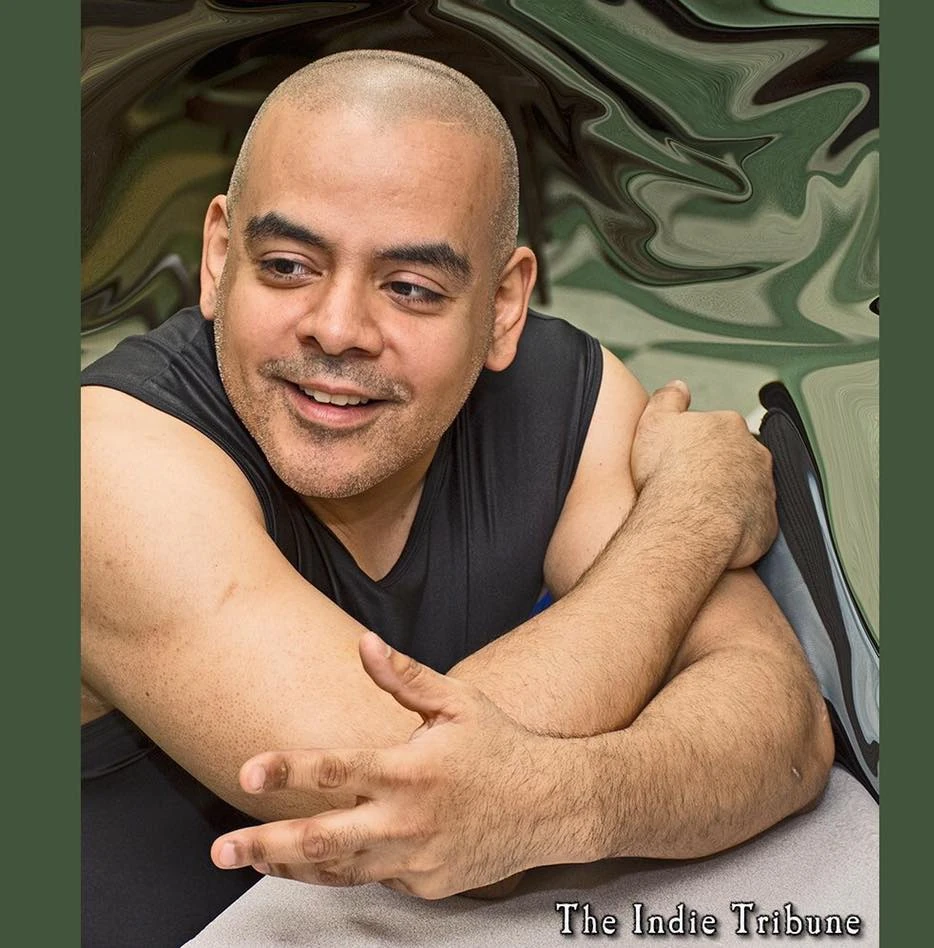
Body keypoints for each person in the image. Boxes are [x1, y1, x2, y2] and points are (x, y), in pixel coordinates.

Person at [81, 50, 834, 946]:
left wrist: (558, 805)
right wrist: (690, 517)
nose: (337, 328)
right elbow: (387, 794)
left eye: (410, 288)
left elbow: (788, 730)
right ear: (217, 257)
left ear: (504, 306)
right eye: (286, 265)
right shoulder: (101, 460)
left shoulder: (568, 397)